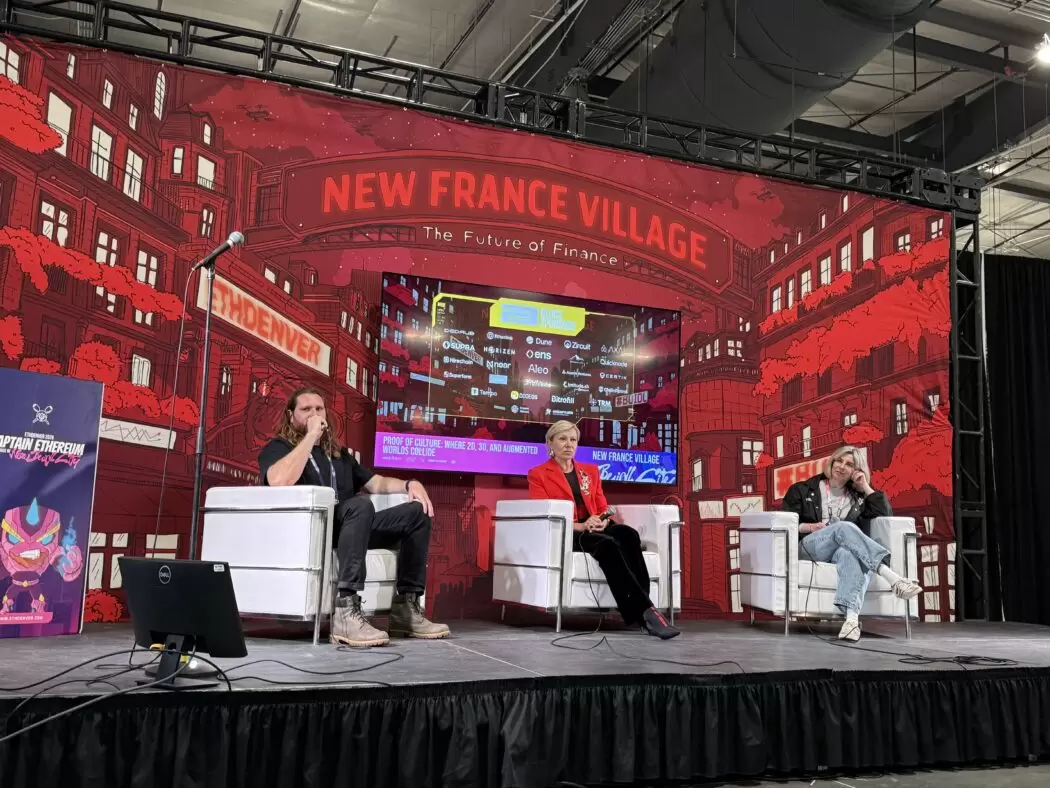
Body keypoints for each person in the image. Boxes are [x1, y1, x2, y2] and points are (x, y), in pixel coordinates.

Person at [258, 387, 449, 648]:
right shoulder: (279, 448)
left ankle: (407, 608)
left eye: (319, 409)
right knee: (359, 506)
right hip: (314, 529)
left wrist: (408, 484)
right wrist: (311, 436)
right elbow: (279, 481)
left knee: (416, 512)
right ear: (291, 416)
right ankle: (346, 609)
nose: (314, 414)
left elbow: (376, 482)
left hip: (352, 527)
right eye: (306, 409)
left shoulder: (338, 454)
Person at [526, 420, 679, 639]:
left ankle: (641, 609)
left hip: (596, 525)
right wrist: (581, 525)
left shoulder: (590, 471)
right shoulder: (538, 474)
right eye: (562, 439)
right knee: (608, 545)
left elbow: (603, 506)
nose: (568, 445)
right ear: (550, 443)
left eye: (572, 440)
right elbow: (543, 511)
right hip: (571, 531)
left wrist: (603, 520)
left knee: (628, 534)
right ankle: (647, 613)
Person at [782, 445, 922, 642]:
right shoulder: (802, 489)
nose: (841, 466)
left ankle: (851, 622)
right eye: (839, 460)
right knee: (842, 528)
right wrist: (810, 527)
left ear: (856, 471)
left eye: (849, 465)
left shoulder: (857, 499)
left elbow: (885, 515)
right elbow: (786, 521)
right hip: (809, 547)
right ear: (832, 461)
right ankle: (892, 578)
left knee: (850, 554)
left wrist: (865, 486)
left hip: (839, 551)